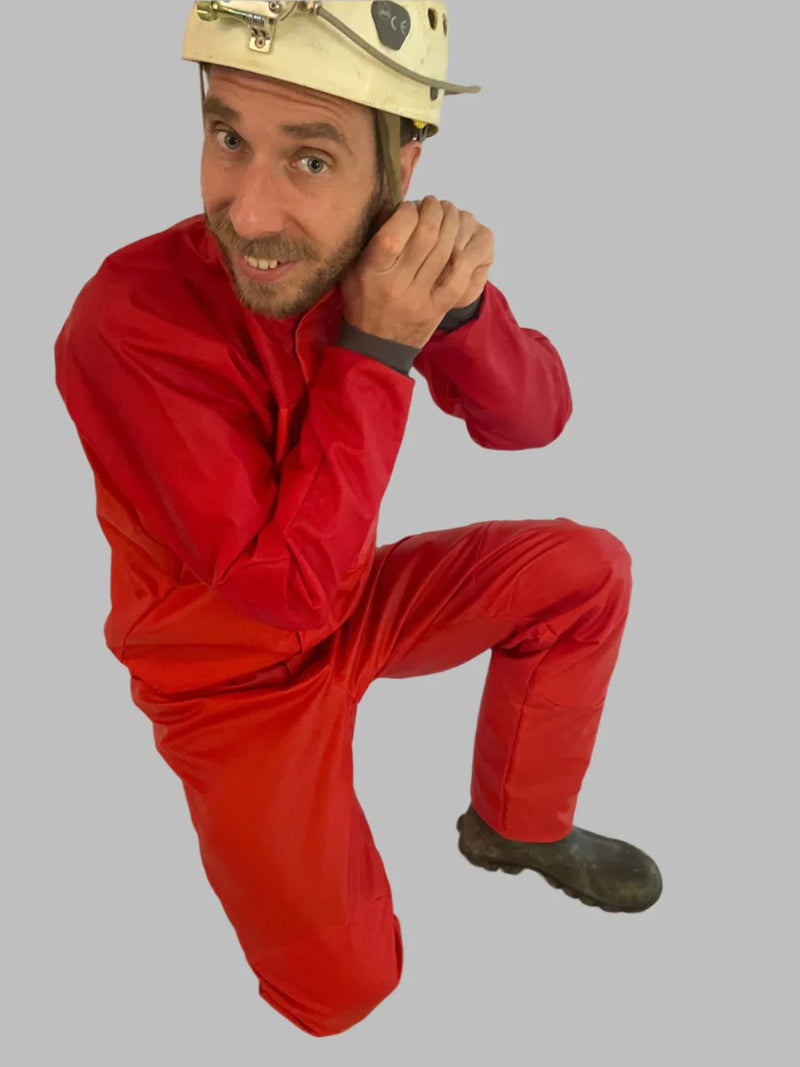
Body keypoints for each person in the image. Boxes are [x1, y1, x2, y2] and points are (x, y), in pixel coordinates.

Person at [54, 1, 662, 1039]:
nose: (249, 211)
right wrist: (376, 348)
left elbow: (532, 421)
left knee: (586, 571)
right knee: (345, 991)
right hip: (228, 680)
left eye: (310, 159)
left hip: (344, 593)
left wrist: (457, 308)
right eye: (227, 136)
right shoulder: (126, 319)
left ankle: (514, 826)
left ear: (399, 166)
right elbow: (280, 591)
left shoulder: (368, 259)